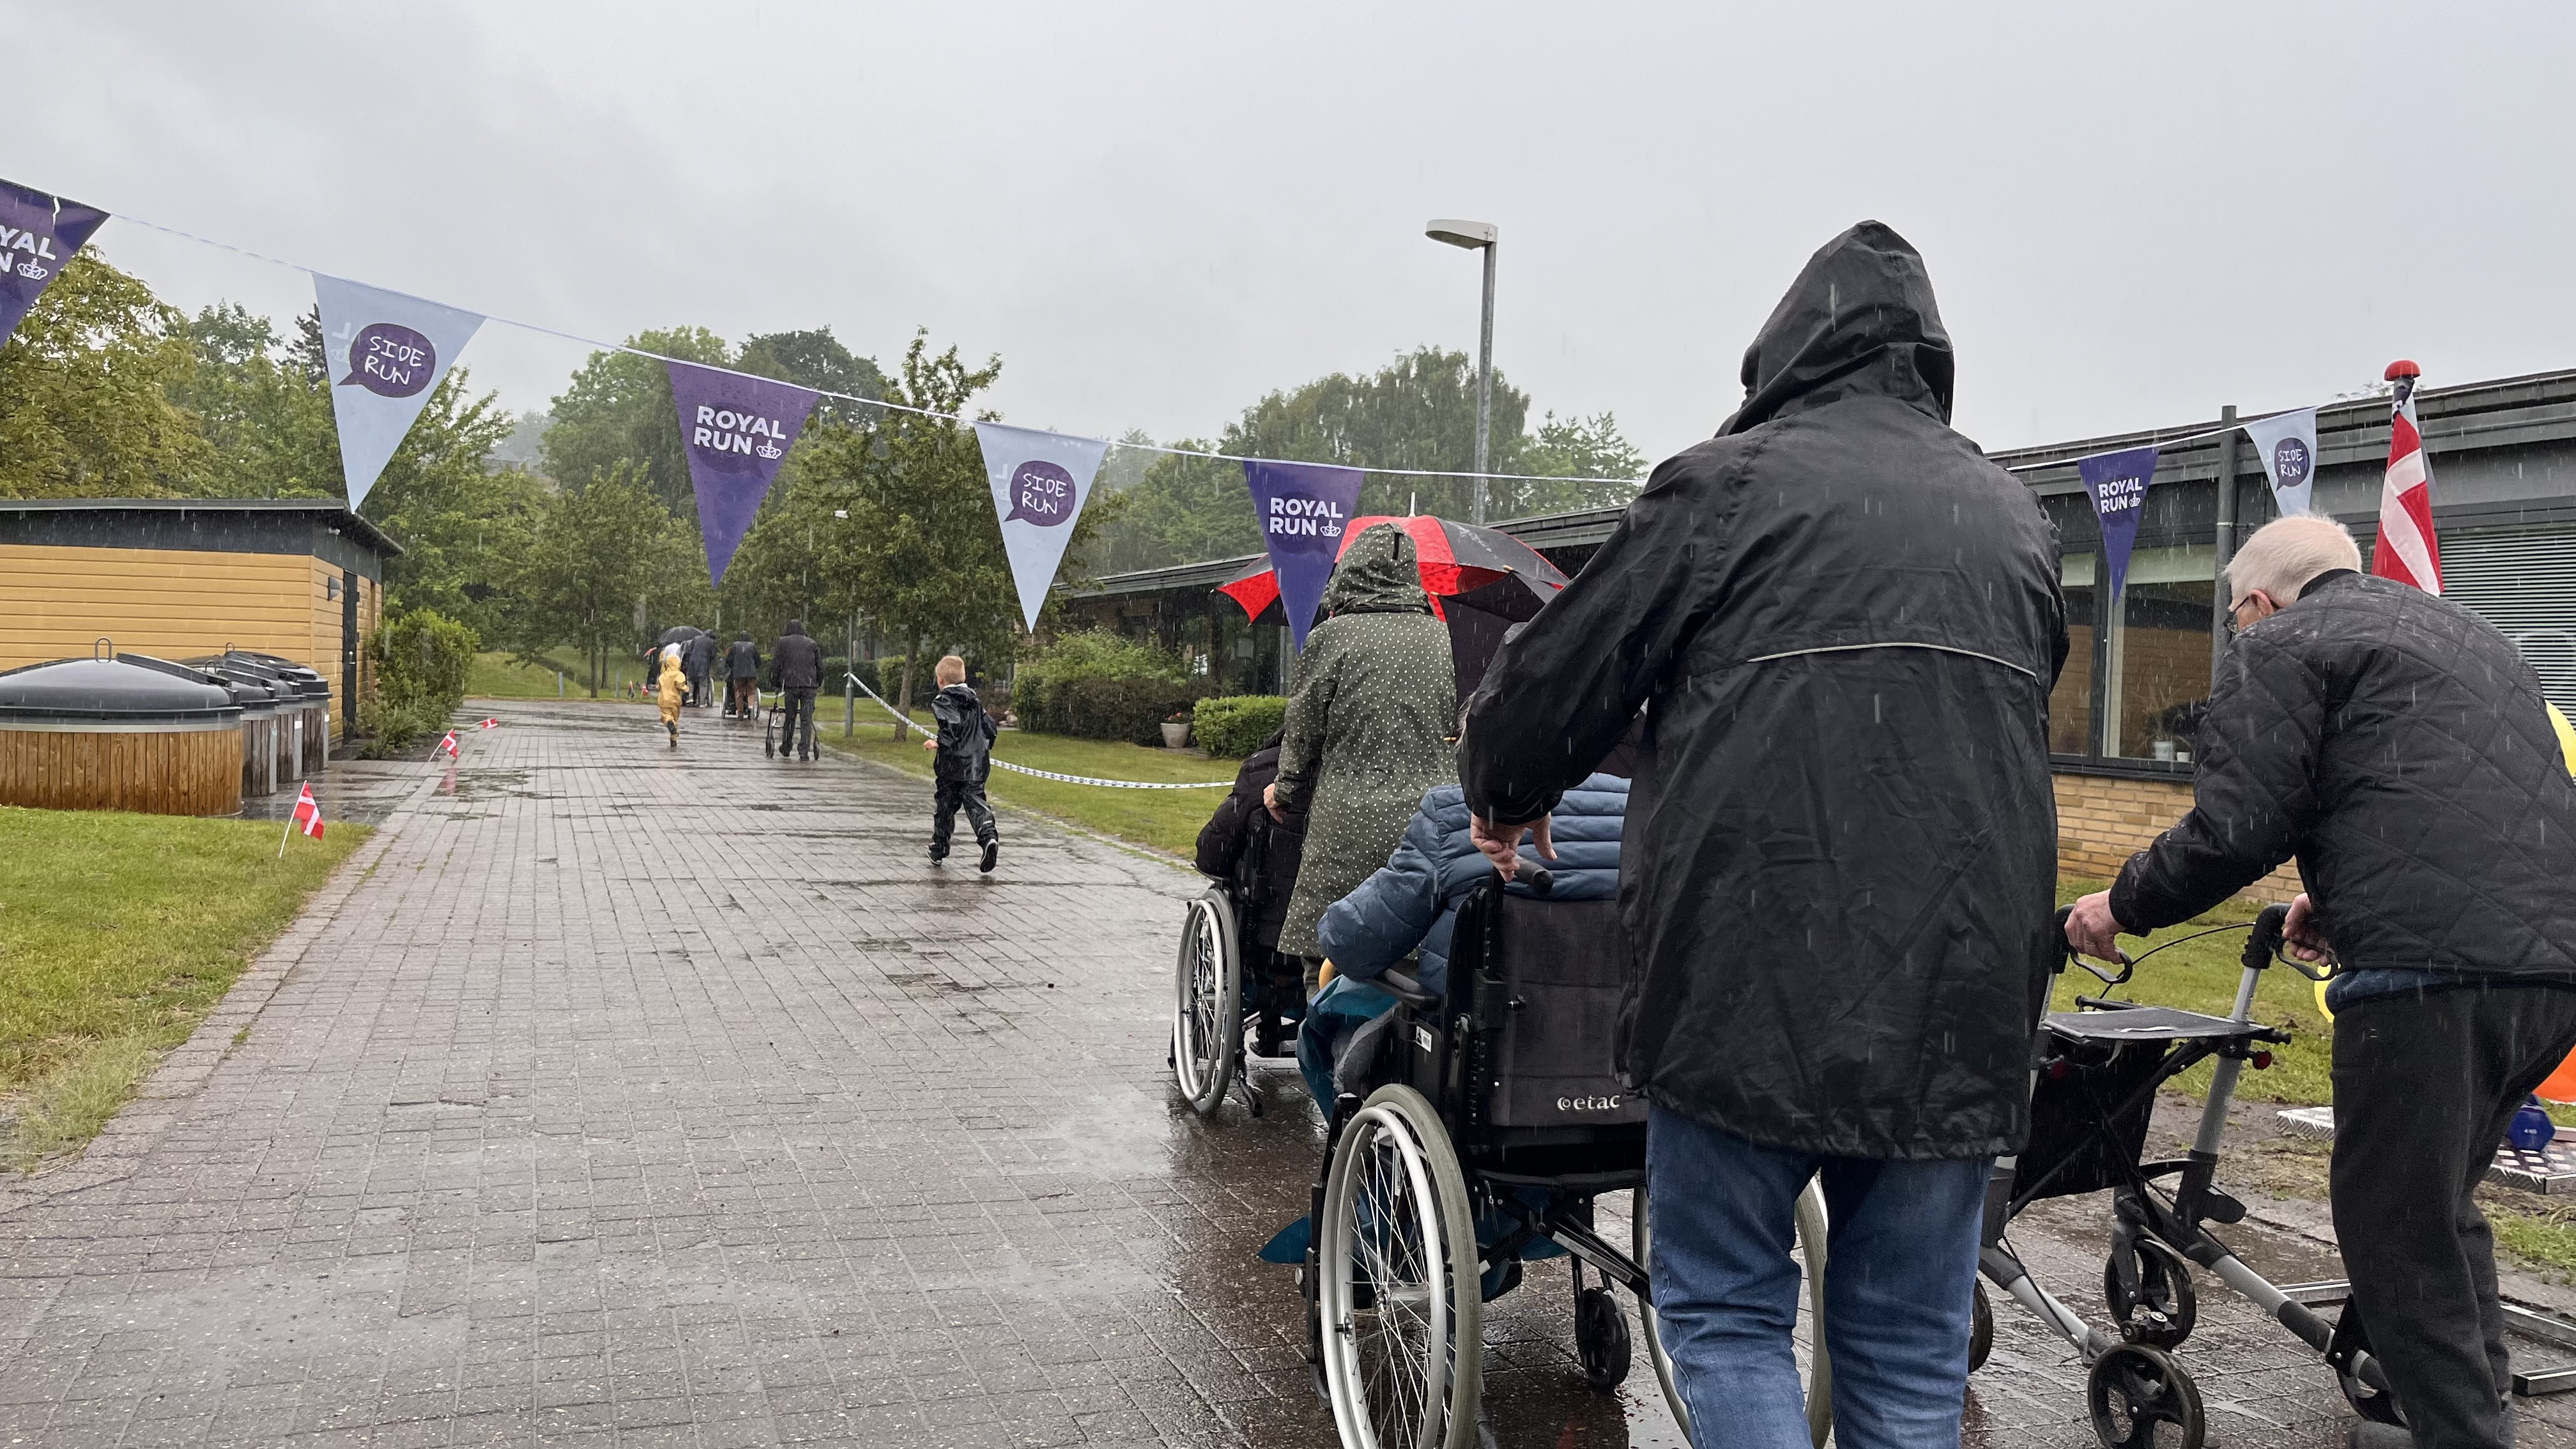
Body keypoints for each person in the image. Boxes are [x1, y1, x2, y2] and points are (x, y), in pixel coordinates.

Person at [1458, 221, 2067, 1449]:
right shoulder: (2012, 519)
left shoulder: (1724, 487)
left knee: (1729, 1316)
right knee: (1909, 1352)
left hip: (1747, 975)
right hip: (1957, 991)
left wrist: (1505, 787)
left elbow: (1556, 680)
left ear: (1783, 355)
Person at [2064, 513, 2576, 1449]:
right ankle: (2467, 1422)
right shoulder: (2475, 639)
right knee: (2439, 1214)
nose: (2237, 631)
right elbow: (2451, 802)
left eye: (2233, 616)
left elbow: (2235, 829)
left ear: (2259, 602)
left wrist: (2122, 904)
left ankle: (2465, 1436)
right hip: (2552, 972)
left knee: (2397, 1232)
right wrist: (2340, 898)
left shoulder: (2283, 644)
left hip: (2428, 978)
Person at [1264, 523, 1457, 985]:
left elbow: (1304, 729)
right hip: (1428, 820)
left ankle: (1331, 1027)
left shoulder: (1332, 637)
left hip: (1348, 820)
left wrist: (1284, 791)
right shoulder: (1442, 638)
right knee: (1412, 950)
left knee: (1329, 949)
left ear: (1350, 570)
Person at [1195, 728, 1310, 1051]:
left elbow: (1212, 854)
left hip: (1265, 945)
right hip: (1334, 943)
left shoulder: (1265, 768)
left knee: (1228, 887)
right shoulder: (1360, 774)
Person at [921, 654, 999, 871]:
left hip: (952, 766)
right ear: (964, 678)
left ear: (940, 680)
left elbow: (952, 726)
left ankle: (939, 848)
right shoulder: (975, 700)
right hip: (977, 764)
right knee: (976, 801)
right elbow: (990, 727)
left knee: (945, 806)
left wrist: (938, 742)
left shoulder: (943, 700)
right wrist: (985, 746)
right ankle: (988, 836)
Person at [771, 619, 823, 762]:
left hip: (791, 685)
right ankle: (804, 751)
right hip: (809, 686)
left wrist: (776, 683)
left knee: (791, 717)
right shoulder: (812, 644)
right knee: (806, 719)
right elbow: (820, 667)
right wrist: (817, 683)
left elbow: (777, 665)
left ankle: (787, 746)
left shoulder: (783, 642)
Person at [654, 643, 687, 749]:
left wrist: (658, 687)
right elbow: (680, 685)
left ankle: (670, 724)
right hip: (675, 701)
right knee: (675, 719)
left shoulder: (663, 676)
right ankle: (674, 739)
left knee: (666, 716)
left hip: (664, 700)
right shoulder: (680, 675)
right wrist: (686, 689)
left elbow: (658, 687)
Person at [723, 632, 760, 719]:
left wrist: (733, 667)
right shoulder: (752, 646)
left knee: (739, 693)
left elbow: (729, 660)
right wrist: (755, 667)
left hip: (738, 674)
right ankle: (750, 708)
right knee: (751, 691)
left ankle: (740, 712)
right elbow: (758, 660)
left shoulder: (735, 646)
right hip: (751, 674)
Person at [683, 629, 717, 709]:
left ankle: (690, 697)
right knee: (703, 684)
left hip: (693, 663)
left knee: (690, 680)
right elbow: (713, 655)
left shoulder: (695, 639)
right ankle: (702, 702)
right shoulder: (711, 642)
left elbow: (689, 651)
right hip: (704, 665)